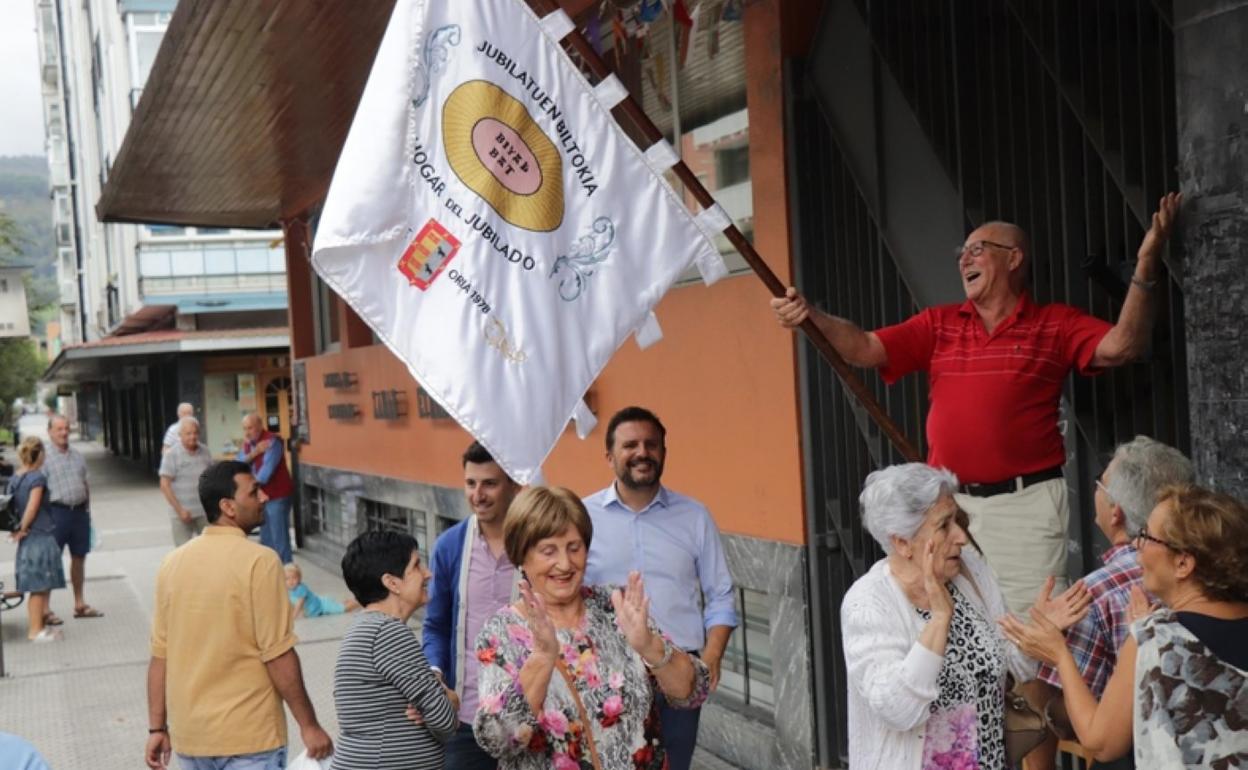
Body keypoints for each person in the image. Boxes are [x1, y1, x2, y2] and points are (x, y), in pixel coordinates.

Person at [771, 195, 1181, 613]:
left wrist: (1146, 265)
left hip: (1025, 507)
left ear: (1014, 258)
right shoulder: (939, 323)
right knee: (953, 627)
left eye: (977, 250)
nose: (964, 258)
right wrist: (811, 317)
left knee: (1030, 631)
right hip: (947, 507)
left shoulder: (1054, 324)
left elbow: (1123, 346)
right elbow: (863, 348)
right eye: (961, 253)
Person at [841, 463, 1090, 770]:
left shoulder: (970, 573)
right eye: (944, 526)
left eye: (957, 520)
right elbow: (897, 710)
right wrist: (940, 620)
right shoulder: (868, 603)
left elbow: (1012, 666)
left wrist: (1037, 634)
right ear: (902, 542)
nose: (960, 536)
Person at [1002, 485, 1248, 767]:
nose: (1135, 545)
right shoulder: (1154, 632)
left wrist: (1060, 655)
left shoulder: (1155, 638)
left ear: (1183, 563)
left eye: (1147, 537)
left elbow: (1101, 743)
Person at [473, 486, 711, 770]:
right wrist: (542, 658)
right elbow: (496, 741)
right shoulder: (501, 633)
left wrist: (649, 646)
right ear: (521, 557)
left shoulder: (615, 608)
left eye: (574, 548)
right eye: (549, 550)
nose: (565, 563)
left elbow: (693, 691)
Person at [144, 461, 332, 770]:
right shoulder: (260, 562)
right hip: (250, 739)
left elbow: (159, 656)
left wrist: (156, 728)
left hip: (192, 741)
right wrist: (309, 725)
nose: (265, 498)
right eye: (254, 492)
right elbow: (277, 654)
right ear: (228, 506)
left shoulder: (171, 563)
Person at [582, 406, 736, 770]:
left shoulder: (694, 516)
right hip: (606, 673)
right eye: (630, 444)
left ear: (664, 453)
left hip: (677, 673)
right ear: (609, 456)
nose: (642, 452)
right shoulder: (582, 517)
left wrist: (711, 655)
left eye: (651, 444)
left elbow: (721, 594)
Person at [1030, 437, 1193, 770]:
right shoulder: (1211, 574)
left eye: (1099, 485)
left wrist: (1048, 650)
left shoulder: (1091, 594)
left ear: (1116, 512)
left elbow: (1074, 723)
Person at [424, 441, 522, 770]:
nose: (478, 495)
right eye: (470, 483)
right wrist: (436, 673)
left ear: (515, 484)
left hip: (530, 718)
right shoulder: (449, 546)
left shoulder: (538, 546)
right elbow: (435, 625)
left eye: (490, 483)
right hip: (465, 720)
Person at [332, 530, 459, 769]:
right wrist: (450, 698)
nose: (428, 574)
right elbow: (444, 722)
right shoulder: (389, 633)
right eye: (417, 566)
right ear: (392, 582)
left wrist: (434, 701)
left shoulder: (367, 627)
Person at [7, 437, 66, 642]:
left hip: (27, 538)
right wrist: (23, 527)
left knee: (37, 585)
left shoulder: (16, 477)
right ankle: (35, 631)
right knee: (39, 587)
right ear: (39, 454)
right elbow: (32, 507)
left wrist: (17, 529)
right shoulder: (37, 478)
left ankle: (39, 626)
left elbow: (12, 507)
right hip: (40, 535)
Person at [43, 414, 102, 618]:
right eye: (59, 429)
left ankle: (79, 603)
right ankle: (45, 609)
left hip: (79, 513)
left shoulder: (77, 455)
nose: (64, 432)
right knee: (52, 560)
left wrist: (88, 511)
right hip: (56, 514)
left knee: (79, 558)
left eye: (66, 428)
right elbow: (38, 490)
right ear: (50, 432)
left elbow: (85, 483)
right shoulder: (44, 458)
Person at [237, 413, 294, 563]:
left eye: (250, 428)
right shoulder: (249, 444)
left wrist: (248, 483)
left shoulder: (272, 441)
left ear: (260, 426)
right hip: (260, 496)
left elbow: (264, 475)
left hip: (278, 496)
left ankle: (287, 575)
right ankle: (270, 571)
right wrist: (255, 452)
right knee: (266, 538)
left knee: (279, 538)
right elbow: (238, 464)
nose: (247, 432)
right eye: (244, 429)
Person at [158, 416, 213, 546]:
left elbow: (208, 475)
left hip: (203, 512)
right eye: (188, 433)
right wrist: (180, 510)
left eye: (195, 433)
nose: (192, 437)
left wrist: (202, 480)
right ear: (180, 435)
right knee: (183, 552)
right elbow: (165, 485)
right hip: (181, 514)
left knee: (208, 548)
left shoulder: (205, 451)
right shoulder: (172, 454)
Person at [285, 563, 358, 618]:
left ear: (299, 578)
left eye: (294, 578)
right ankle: (350, 601)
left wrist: (293, 617)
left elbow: (299, 604)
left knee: (342, 609)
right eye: (287, 579)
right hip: (319, 604)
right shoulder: (290, 590)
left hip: (322, 606)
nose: (291, 581)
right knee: (338, 606)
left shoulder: (301, 588)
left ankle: (360, 602)